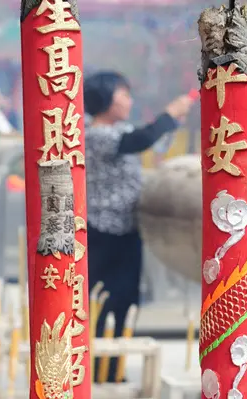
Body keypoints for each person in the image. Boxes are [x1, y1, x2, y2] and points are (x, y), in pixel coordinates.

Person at [84, 71, 194, 381]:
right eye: (124, 94)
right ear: (106, 100)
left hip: (127, 231)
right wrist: (170, 113)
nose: (129, 101)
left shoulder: (119, 131)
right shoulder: (96, 135)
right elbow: (142, 139)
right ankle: (98, 370)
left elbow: (149, 143)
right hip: (102, 233)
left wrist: (173, 123)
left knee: (126, 301)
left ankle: (113, 369)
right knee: (102, 303)